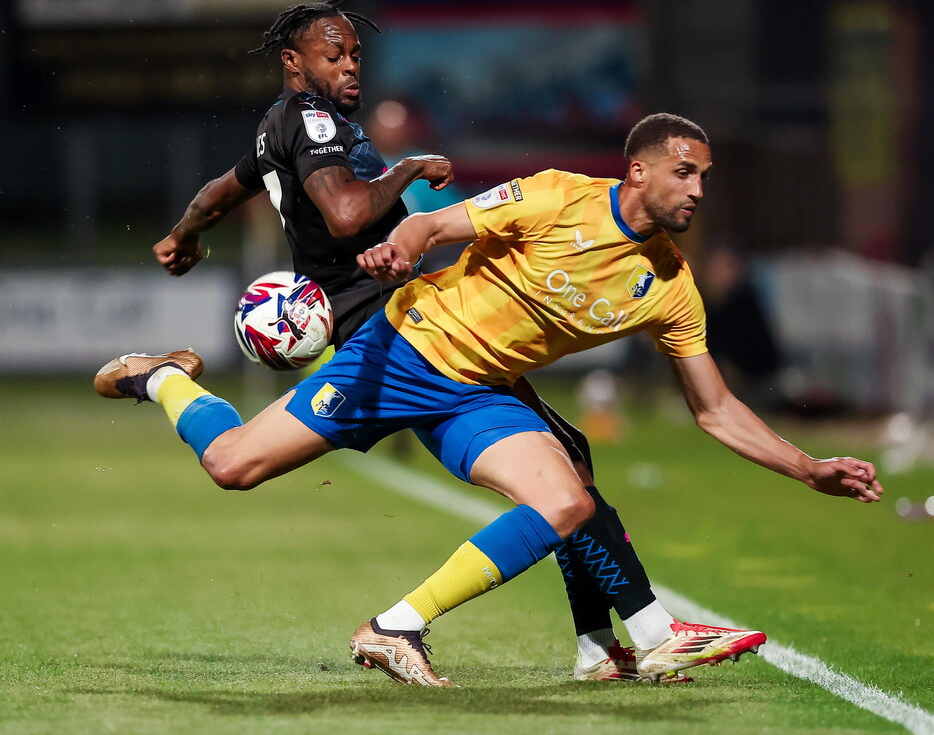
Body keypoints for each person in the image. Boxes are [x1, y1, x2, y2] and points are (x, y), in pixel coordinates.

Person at [96, 112, 882, 687]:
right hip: (403, 352)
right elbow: (432, 227)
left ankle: (398, 627)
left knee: (568, 496)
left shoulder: (671, 284)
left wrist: (808, 468)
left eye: (705, 176)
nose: (698, 189)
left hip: (478, 394)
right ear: (639, 171)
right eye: (685, 172)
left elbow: (714, 409)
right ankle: (161, 375)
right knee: (232, 466)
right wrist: (397, 248)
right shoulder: (558, 198)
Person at [151, 0, 707, 685]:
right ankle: (163, 377)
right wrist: (410, 167)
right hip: (388, 339)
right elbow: (349, 215)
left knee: (570, 470)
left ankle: (610, 643)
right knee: (234, 464)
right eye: (334, 55)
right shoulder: (309, 120)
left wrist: (184, 233)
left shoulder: (293, 128)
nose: (351, 67)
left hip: (416, 331)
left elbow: (223, 189)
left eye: (356, 55)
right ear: (293, 62)